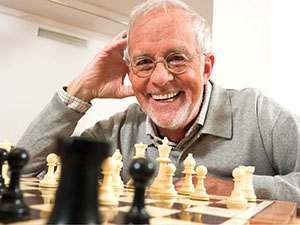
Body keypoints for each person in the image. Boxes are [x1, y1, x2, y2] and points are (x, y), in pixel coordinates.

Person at [17, 0, 300, 205]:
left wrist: (238, 186)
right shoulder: (119, 130)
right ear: (130, 72)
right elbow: (24, 172)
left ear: (206, 67)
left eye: (176, 58)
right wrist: (80, 91)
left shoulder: (258, 113)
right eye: (143, 62)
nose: (161, 78)